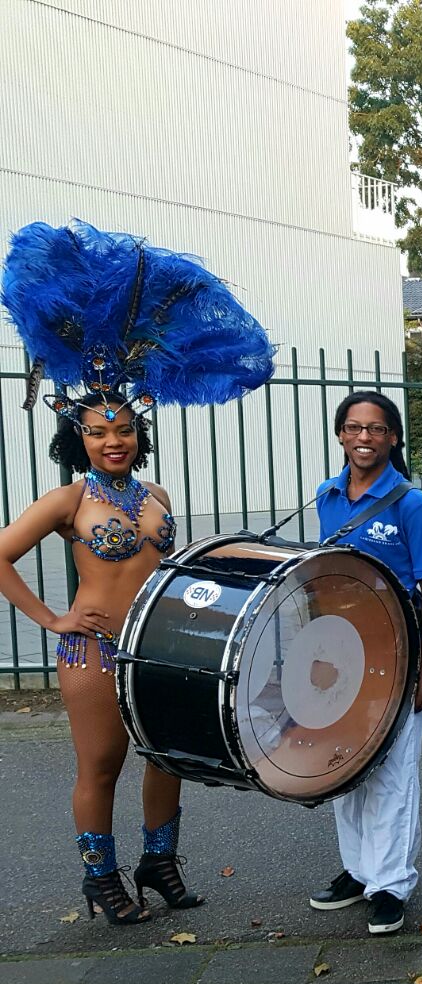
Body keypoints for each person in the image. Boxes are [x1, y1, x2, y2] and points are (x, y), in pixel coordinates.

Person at [0, 221, 272, 925]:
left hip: (162, 645)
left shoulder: (159, 498)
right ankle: (100, 877)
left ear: (137, 431)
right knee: (101, 768)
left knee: (168, 756)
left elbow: (168, 564)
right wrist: (51, 617)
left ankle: (160, 864)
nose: (113, 439)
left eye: (122, 428)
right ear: (78, 437)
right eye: (98, 430)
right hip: (93, 649)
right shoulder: (67, 501)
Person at [308, 391, 422, 935]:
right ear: (341, 435)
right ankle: (358, 869)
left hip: (398, 652)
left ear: (393, 438)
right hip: (340, 651)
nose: (365, 437)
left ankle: (390, 883)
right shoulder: (325, 496)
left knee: (391, 772)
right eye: (354, 428)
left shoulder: (411, 504)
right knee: (344, 764)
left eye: (376, 429)